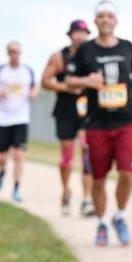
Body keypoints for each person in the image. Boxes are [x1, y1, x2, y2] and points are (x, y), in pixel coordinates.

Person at [64, 0, 132, 246]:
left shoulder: (127, 46)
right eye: (101, 16)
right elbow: (69, 81)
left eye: (109, 16)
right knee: (98, 179)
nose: (105, 20)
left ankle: (120, 216)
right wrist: (85, 79)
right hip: (97, 123)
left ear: (116, 21)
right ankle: (101, 222)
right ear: (95, 21)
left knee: (128, 173)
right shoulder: (86, 50)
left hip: (126, 121)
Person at [41, 19, 95, 217]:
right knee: (67, 155)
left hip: (87, 111)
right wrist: (67, 87)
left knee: (88, 154)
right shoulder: (59, 57)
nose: (80, 36)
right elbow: (45, 81)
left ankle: (87, 199)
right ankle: (65, 190)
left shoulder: (92, 55)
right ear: (70, 35)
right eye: (76, 33)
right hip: (65, 111)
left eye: (83, 33)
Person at [0, 41, 37, 203]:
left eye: (17, 51)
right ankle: (1, 172)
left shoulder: (27, 71)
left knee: (19, 155)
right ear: (8, 54)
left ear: (20, 53)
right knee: (3, 157)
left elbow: (35, 87)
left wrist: (33, 94)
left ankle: (16, 188)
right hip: (1, 119)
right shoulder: (0, 71)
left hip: (20, 118)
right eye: (12, 52)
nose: (14, 54)